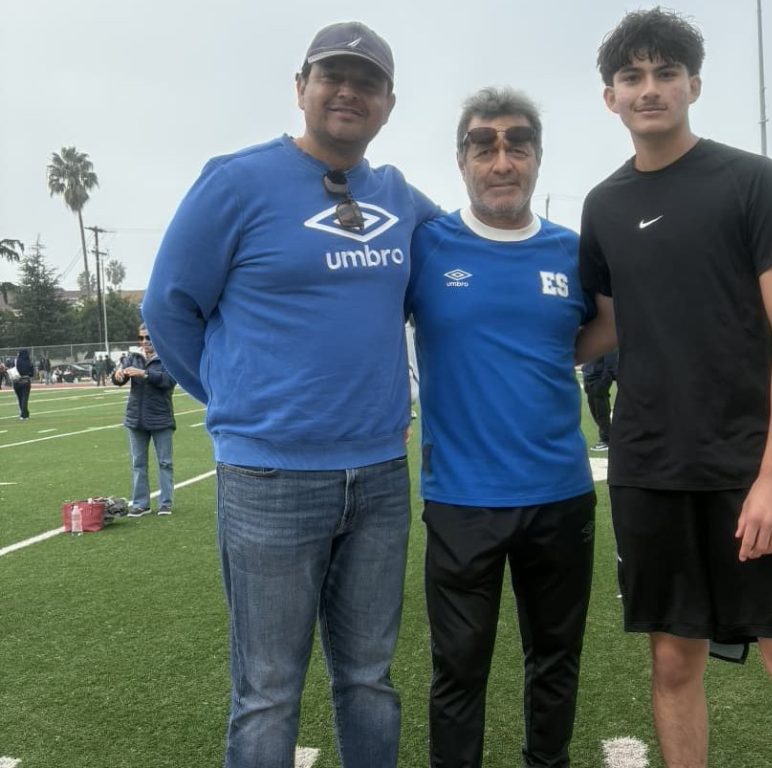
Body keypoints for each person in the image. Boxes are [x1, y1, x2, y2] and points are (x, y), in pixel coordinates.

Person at [142, 21, 440, 768]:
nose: (348, 91)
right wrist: (237, 400)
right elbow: (168, 306)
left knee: (369, 679)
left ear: (389, 103)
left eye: (366, 82)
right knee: (269, 688)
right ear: (300, 86)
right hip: (268, 480)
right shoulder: (235, 181)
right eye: (332, 76)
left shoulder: (400, 196)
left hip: (376, 478)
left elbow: (471, 256)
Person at [574, 9, 772, 767]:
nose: (650, 88)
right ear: (610, 97)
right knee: (673, 663)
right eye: (632, 76)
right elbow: (602, 326)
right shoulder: (602, 206)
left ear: (693, 84)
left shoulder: (752, 181)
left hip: (745, 467)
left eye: (666, 73)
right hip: (649, 469)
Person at [406, 87, 595, 768]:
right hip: (461, 500)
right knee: (459, 671)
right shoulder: (427, 246)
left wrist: (545, 357)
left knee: (555, 661)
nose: (502, 159)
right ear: (462, 159)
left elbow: (607, 324)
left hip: (559, 494)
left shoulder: (573, 251)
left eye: (518, 143)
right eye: (484, 144)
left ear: (537, 157)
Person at [112, 324, 176, 516]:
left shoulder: (168, 357)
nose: (144, 342)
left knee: (165, 462)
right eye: (141, 338)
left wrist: (145, 374)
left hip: (160, 417)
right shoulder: (133, 358)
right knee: (138, 463)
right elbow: (119, 380)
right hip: (136, 418)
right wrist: (118, 376)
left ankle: (165, 502)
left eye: (148, 338)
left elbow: (169, 381)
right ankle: (141, 503)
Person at [581, 350, 617, 451]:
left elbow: (611, 355)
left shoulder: (606, 337)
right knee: (595, 410)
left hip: (598, 376)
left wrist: (607, 375)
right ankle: (608, 438)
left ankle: (607, 439)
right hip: (590, 375)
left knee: (601, 411)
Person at [12, 349, 35, 419]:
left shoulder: (16, 361)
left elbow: (11, 368)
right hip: (25, 381)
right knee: (25, 398)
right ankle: (24, 414)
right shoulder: (29, 362)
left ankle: (24, 413)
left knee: (20, 398)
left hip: (16, 381)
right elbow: (32, 374)